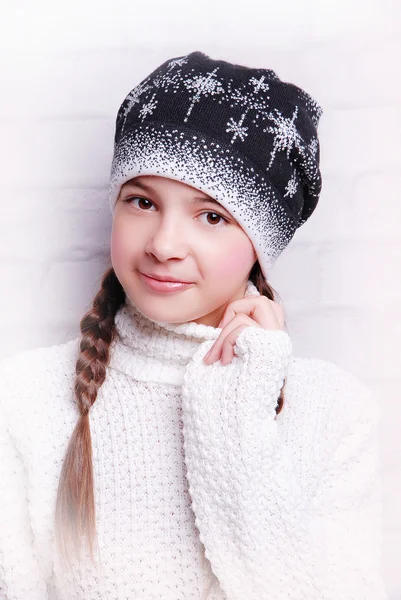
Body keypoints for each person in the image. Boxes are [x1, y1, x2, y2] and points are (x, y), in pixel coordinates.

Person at [0, 51, 388, 600]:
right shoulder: (25, 399)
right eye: (141, 201)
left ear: (261, 246)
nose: (162, 245)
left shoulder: (333, 415)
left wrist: (238, 410)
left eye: (211, 216)